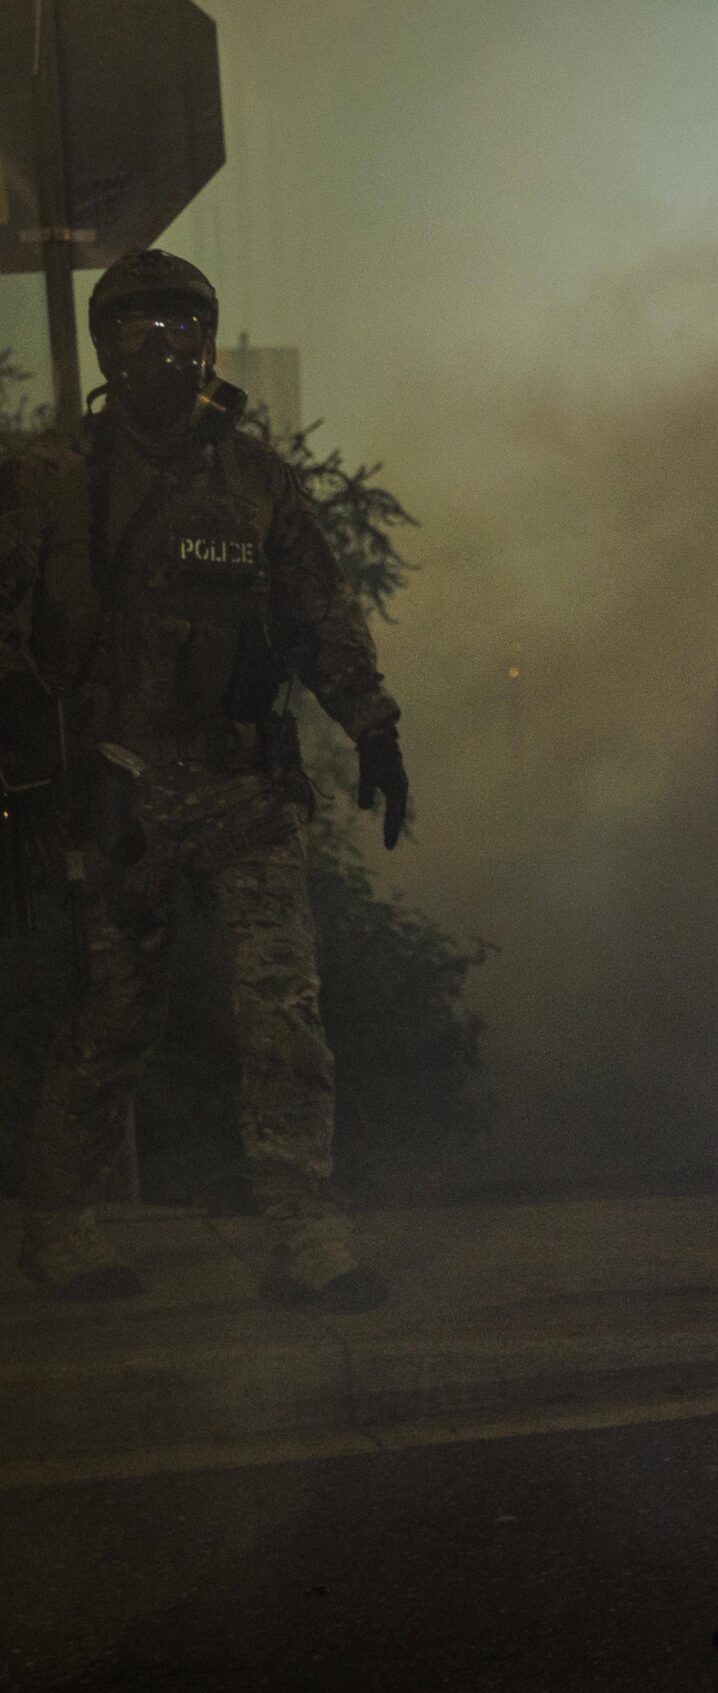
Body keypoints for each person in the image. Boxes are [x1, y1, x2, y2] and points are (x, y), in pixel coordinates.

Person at [6, 249, 410, 1310]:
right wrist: (39, 784)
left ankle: (306, 1235)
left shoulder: (252, 475)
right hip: (113, 791)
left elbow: (321, 614)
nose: (164, 347)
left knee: (284, 1008)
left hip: (240, 784)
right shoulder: (51, 476)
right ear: (103, 344)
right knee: (110, 1014)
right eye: (138, 327)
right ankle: (59, 1229)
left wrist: (373, 726)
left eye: (185, 326)